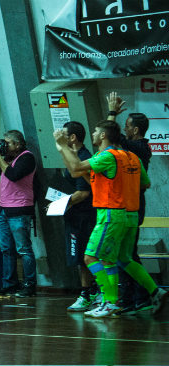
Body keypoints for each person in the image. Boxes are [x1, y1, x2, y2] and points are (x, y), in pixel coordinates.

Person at [54, 120, 167, 318]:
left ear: (104, 136)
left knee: (91, 256)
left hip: (110, 213)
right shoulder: (132, 157)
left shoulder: (107, 157)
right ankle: (156, 291)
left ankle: (110, 301)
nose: (94, 133)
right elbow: (145, 184)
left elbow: (75, 169)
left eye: (96, 130)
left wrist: (62, 145)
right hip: (130, 214)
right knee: (123, 258)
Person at [107, 92, 153, 314]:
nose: (124, 129)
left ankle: (140, 296)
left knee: (126, 254)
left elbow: (108, 134)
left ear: (135, 130)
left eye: (127, 126)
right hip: (128, 207)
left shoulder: (139, 148)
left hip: (132, 208)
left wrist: (112, 113)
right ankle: (136, 297)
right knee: (126, 254)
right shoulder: (136, 147)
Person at [0, 130, 38, 297]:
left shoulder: (27, 157)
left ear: (18, 144)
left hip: (20, 209)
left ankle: (29, 284)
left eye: (7, 143)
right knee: (7, 249)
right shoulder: (7, 158)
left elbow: (13, 175)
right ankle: (10, 283)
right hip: (4, 208)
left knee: (23, 249)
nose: (4, 146)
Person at [59, 121, 99, 312]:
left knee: (84, 257)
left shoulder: (84, 158)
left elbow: (83, 192)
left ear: (73, 137)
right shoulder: (74, 156)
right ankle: (93, 292)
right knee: (82, 257)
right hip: (76, 215)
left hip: (84, 216)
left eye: (64, 134)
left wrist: (61, 204)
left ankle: (88, 293)